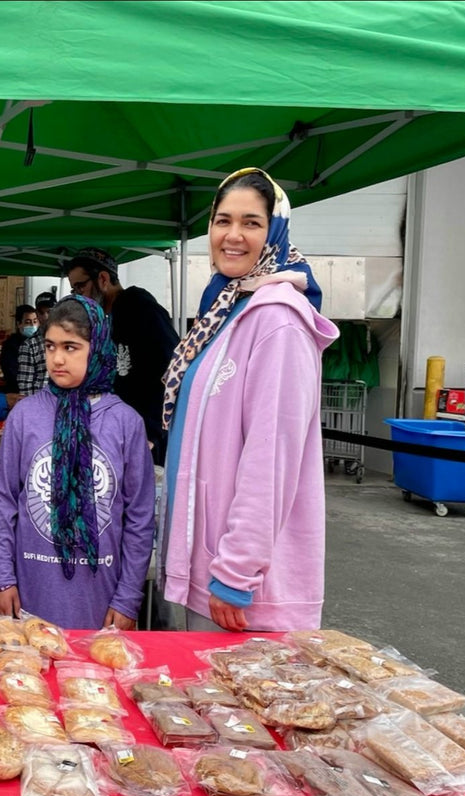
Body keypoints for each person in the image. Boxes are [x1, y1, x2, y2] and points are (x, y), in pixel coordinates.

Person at [160, 167, 339, 633]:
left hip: (243, 593)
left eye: (252, 223)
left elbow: (270, 459)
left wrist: (236, 573)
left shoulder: (278, 321)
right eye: (222, 220)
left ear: (275, 231)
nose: (233, 235)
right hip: (212, 573)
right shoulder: (226, 306)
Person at [0, 296, 155, 630]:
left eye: (71, 347)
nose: (57, 359)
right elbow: (3, 500)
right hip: (31, 592)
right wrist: (2, 579)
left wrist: (127, 598)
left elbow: (139, 517)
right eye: (50, 346)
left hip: (100, 599)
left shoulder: (125, 423)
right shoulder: (25, 415)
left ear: (98, 349)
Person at [66, 247, 179, 467]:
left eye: (80, 286)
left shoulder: (141, 309)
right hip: (119, 436)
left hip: (145, 439)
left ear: (103, 278)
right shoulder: (107, 318)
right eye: (73, 290)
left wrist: (153, 433)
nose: (78, 296)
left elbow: (173, 369)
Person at [17, 291, 55, 395]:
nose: (46, 316)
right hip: (41, 403)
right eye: (41, 313)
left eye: (49, 312)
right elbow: (25, 385)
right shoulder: (29, 345)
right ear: (37, 314)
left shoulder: (66, 340)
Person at [0, 304, 38, 393]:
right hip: (17, 393)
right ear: (19, 324)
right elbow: (12, 374)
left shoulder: (39, 343)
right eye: (28, 322)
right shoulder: (10, 346)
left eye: (35, 321)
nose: (33, 326)